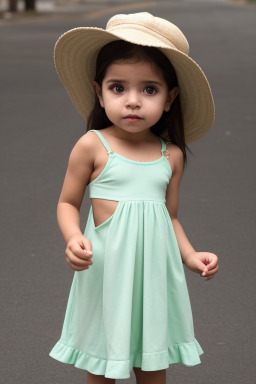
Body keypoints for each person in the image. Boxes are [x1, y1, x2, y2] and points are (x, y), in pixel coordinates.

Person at [49, 12, 219, 384]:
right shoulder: (93, 145)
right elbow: (66, 203)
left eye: (149, 90)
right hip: (106, 273)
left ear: (170, 98)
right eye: (118, 88)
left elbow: (169, 216)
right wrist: (73, 238)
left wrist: (190, 255)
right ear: (99, 91)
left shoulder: (169, 155)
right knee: (102, 363)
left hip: (154, 275)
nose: (133, 101)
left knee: (150, 363)